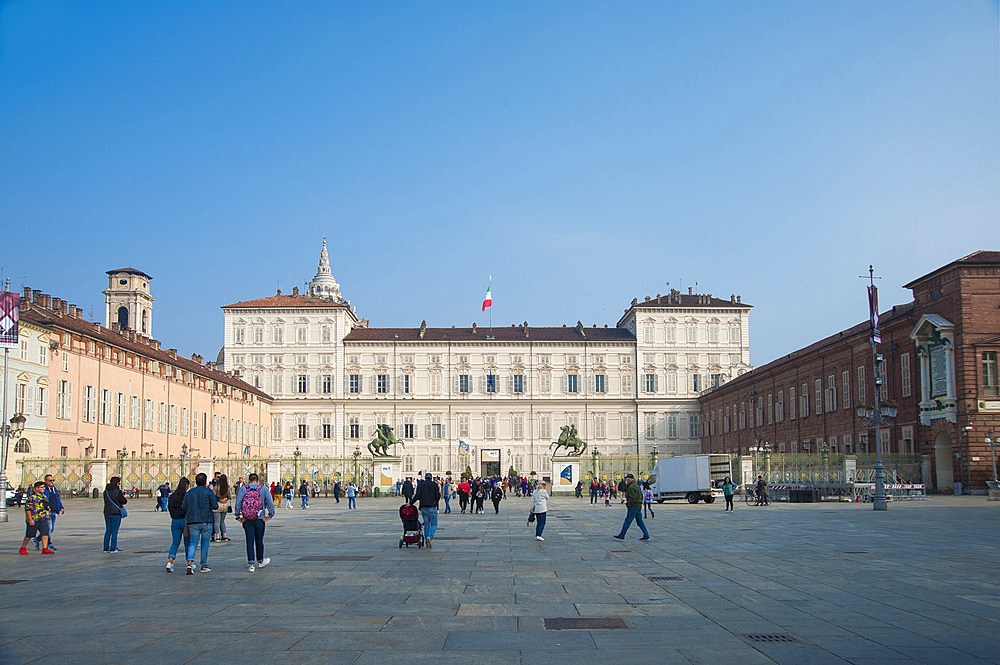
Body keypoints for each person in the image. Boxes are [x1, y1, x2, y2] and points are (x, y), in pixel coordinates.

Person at [235, 472, 275, 573]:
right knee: (259, 540)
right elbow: (269, 502)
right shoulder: (264, 489)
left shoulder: (244, 488)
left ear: (249, 480)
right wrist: (270, 515)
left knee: (249, 540)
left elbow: (238, 502)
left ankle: (251, 564)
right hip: (259, 518)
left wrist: (237, 516)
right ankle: (260, 561)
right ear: (258, 480)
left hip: (247, 519)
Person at [182, 472, 219, 574]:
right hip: (206, 520)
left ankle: (189, 562)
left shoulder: (189, 493)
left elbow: (183, 507)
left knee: (193, 542)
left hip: (192, 520)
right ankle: (203, 565)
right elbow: (215, 506)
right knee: (205, 543)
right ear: (205, 482)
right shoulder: (208, 492)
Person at [19, 481, 54, 555]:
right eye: (41, 487)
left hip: (43, 518)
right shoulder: (32, 497)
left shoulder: (44, 497)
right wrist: (30, 519)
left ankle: (45, 548)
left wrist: (47, 515)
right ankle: (23, 547)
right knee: (30, 534)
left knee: (45, 533)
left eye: (44, 487)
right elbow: (28, 509)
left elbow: (47, 507)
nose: (43, 489)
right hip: (34, 518)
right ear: (36, 488)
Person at [165, 477, 191, 572]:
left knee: (175, 542)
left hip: (175, 521)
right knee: (187, 542)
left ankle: (170, 561)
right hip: (184, 521)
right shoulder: (186, 496)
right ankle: (189, 562)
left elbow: (169, 508)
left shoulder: (172, 496)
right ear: (186, 486)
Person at [613, 474, 649, 541]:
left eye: (627, 479)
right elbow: (641, 495)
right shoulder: (637, 486)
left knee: (628, 520)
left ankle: (622, 535)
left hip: (633, 506)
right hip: (638, 506)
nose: (626, 480)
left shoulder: (631, 487)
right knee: (639, 521)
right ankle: (646, 535)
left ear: (629, 479)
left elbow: (632, 498)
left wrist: (629, 504)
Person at [410, 472, 441, 548]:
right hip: (432, 507)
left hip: (423, 507)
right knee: (434, 524)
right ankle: (429, 537)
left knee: (426, 524)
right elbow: (438, 496)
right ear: (431, 478)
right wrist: (435, 503)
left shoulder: (421, 485)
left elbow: (417, 496)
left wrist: (410, 503)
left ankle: (427, 543)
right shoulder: (434, 485)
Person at [33, 474, 63, 551]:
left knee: (51, 529)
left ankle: (37, 539)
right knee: (48, 529)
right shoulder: (44, 490)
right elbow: (44, 500)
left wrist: (61, 507)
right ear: (45, 481)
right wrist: (46, 508)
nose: (52, 482)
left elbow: (57, 499)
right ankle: (48, 544)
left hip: (54, 511)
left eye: (53, 480)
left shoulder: (54, 489)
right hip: (47, 512)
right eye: (50, 480)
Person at [103, 476, 128, 552]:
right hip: (116, 513)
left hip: (107, 512)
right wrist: (123, 497)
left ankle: (105, 548)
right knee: (114, 531)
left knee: (108, 530)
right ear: (117, 483)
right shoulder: (117, 491)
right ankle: (113, 548)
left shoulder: (106, 491)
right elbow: (123, 501)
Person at [213, 474, 231, 542]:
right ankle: (224, 535)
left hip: (218, 505)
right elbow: (230, 496)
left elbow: (213, 495)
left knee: (217, 521)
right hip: (225, 505)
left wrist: (219, 499)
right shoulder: (228, 487)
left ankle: (217, 536)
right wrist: (225, 498)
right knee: (222, 521)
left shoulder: (217, 486)